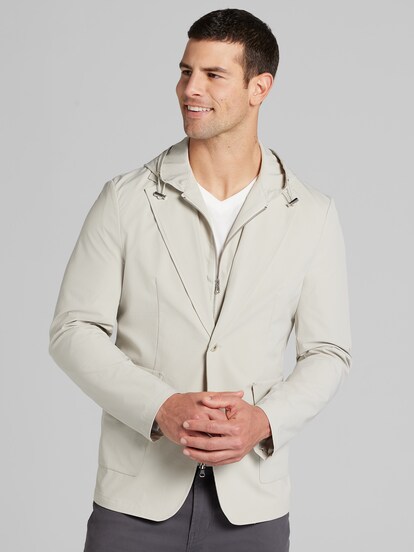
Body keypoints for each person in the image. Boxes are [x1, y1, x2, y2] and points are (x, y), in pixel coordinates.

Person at [49, 8, 351, 552]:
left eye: (214, 75)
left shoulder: (311, 213)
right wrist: (160, 406)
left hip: (252, 507)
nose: (191, 88)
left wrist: (265, 420)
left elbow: (327, 351)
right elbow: (73, 330)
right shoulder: (126, 200)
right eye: (186, 71)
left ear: (260, 88)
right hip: (134, 505)